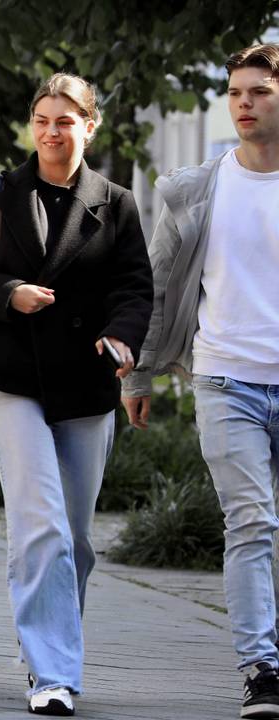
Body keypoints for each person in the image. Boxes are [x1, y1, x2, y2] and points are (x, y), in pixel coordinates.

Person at [0, 73, 153, 716]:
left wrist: (121, 336)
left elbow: (134, 286)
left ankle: (49, 641)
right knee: (41, 525)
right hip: (12, 379)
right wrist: (9, 294)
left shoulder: (115, 202)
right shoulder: (2, 191)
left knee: (77, 540)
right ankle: (51, 671)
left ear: (90, 125)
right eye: (41, 119)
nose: (51, 131)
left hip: (86, 387)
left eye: (65, 120)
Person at [120, 44, 279, 720]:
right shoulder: (193, 189)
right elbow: (159, 288)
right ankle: (261, 668)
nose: (243, 103)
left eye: (259, 92)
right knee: (251, 522)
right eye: (236, 92)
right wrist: (142, 373)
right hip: (225, 380)